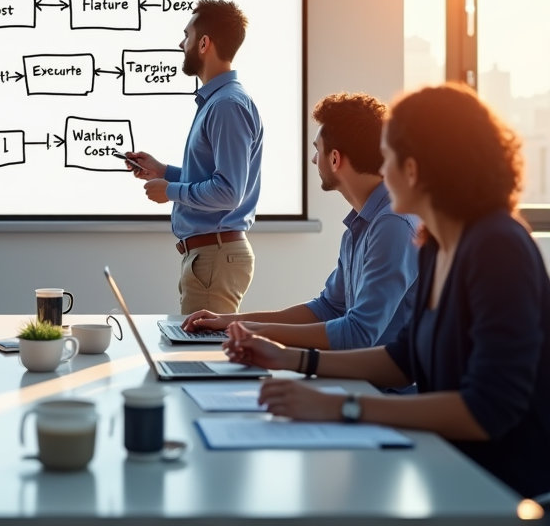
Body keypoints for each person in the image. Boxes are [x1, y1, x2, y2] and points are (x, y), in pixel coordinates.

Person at [223, 84, 550, 498]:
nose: (381, 169)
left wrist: (342, 408)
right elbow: (404, 359)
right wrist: (289, 358)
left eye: (388, 157)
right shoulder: (435, 245)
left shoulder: (497, 246)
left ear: (412, 170)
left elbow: (489, 409)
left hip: (506, 492)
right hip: (450, 472)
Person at [182, 93, 418, 351]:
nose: (315, 159)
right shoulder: (361, 226)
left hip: (386, 390)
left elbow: (357, 333)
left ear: (336, 159)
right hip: (358, 378)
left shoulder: (392, 225)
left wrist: (256, 332)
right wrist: (231, 321)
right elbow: (327, 308)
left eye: (317, 150)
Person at [125, 0, 263, 315]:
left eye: (186, 35)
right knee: (198, 354)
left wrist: (170, 192)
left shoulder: (227, 105)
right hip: (209, 256)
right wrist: (163, 171)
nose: (180, 43)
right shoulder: (219, 102)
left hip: (215, 256)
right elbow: (212, 177)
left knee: (201, 358)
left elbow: (228, 191)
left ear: (203, 44)